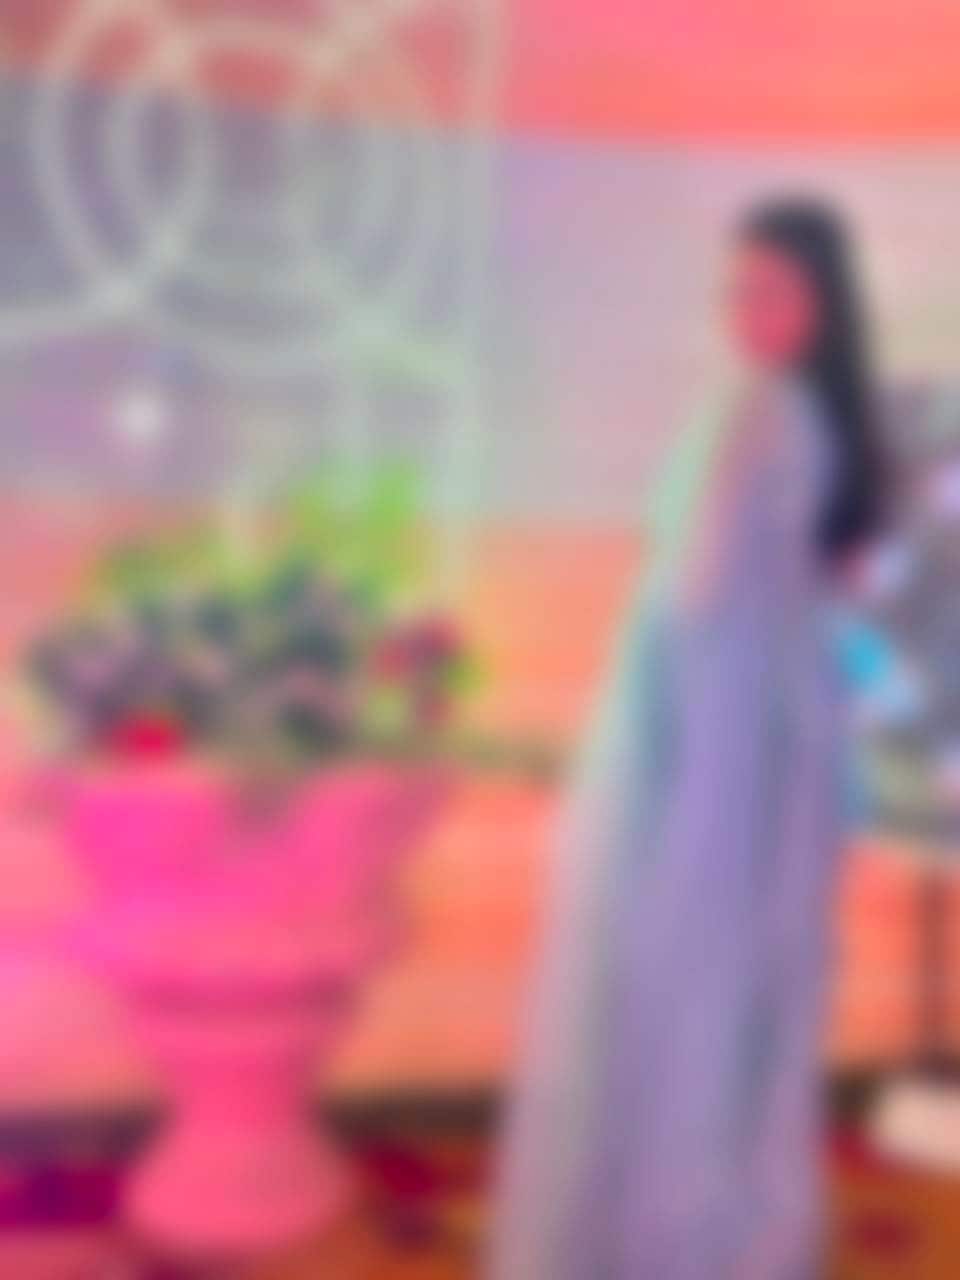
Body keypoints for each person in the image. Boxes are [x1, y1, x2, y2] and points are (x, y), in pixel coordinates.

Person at [488, 198, 885, 1280]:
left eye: (771, 289)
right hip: (786, 736)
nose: (746, 312)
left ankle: (673, 1225)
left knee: (681, 976)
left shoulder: (750, 405)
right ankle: (733, 1226)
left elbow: (692, 592)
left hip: (718, 734)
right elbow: (838, 593)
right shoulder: (832, 420)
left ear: (822, 301)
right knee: (756, 987)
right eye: (736, 291)